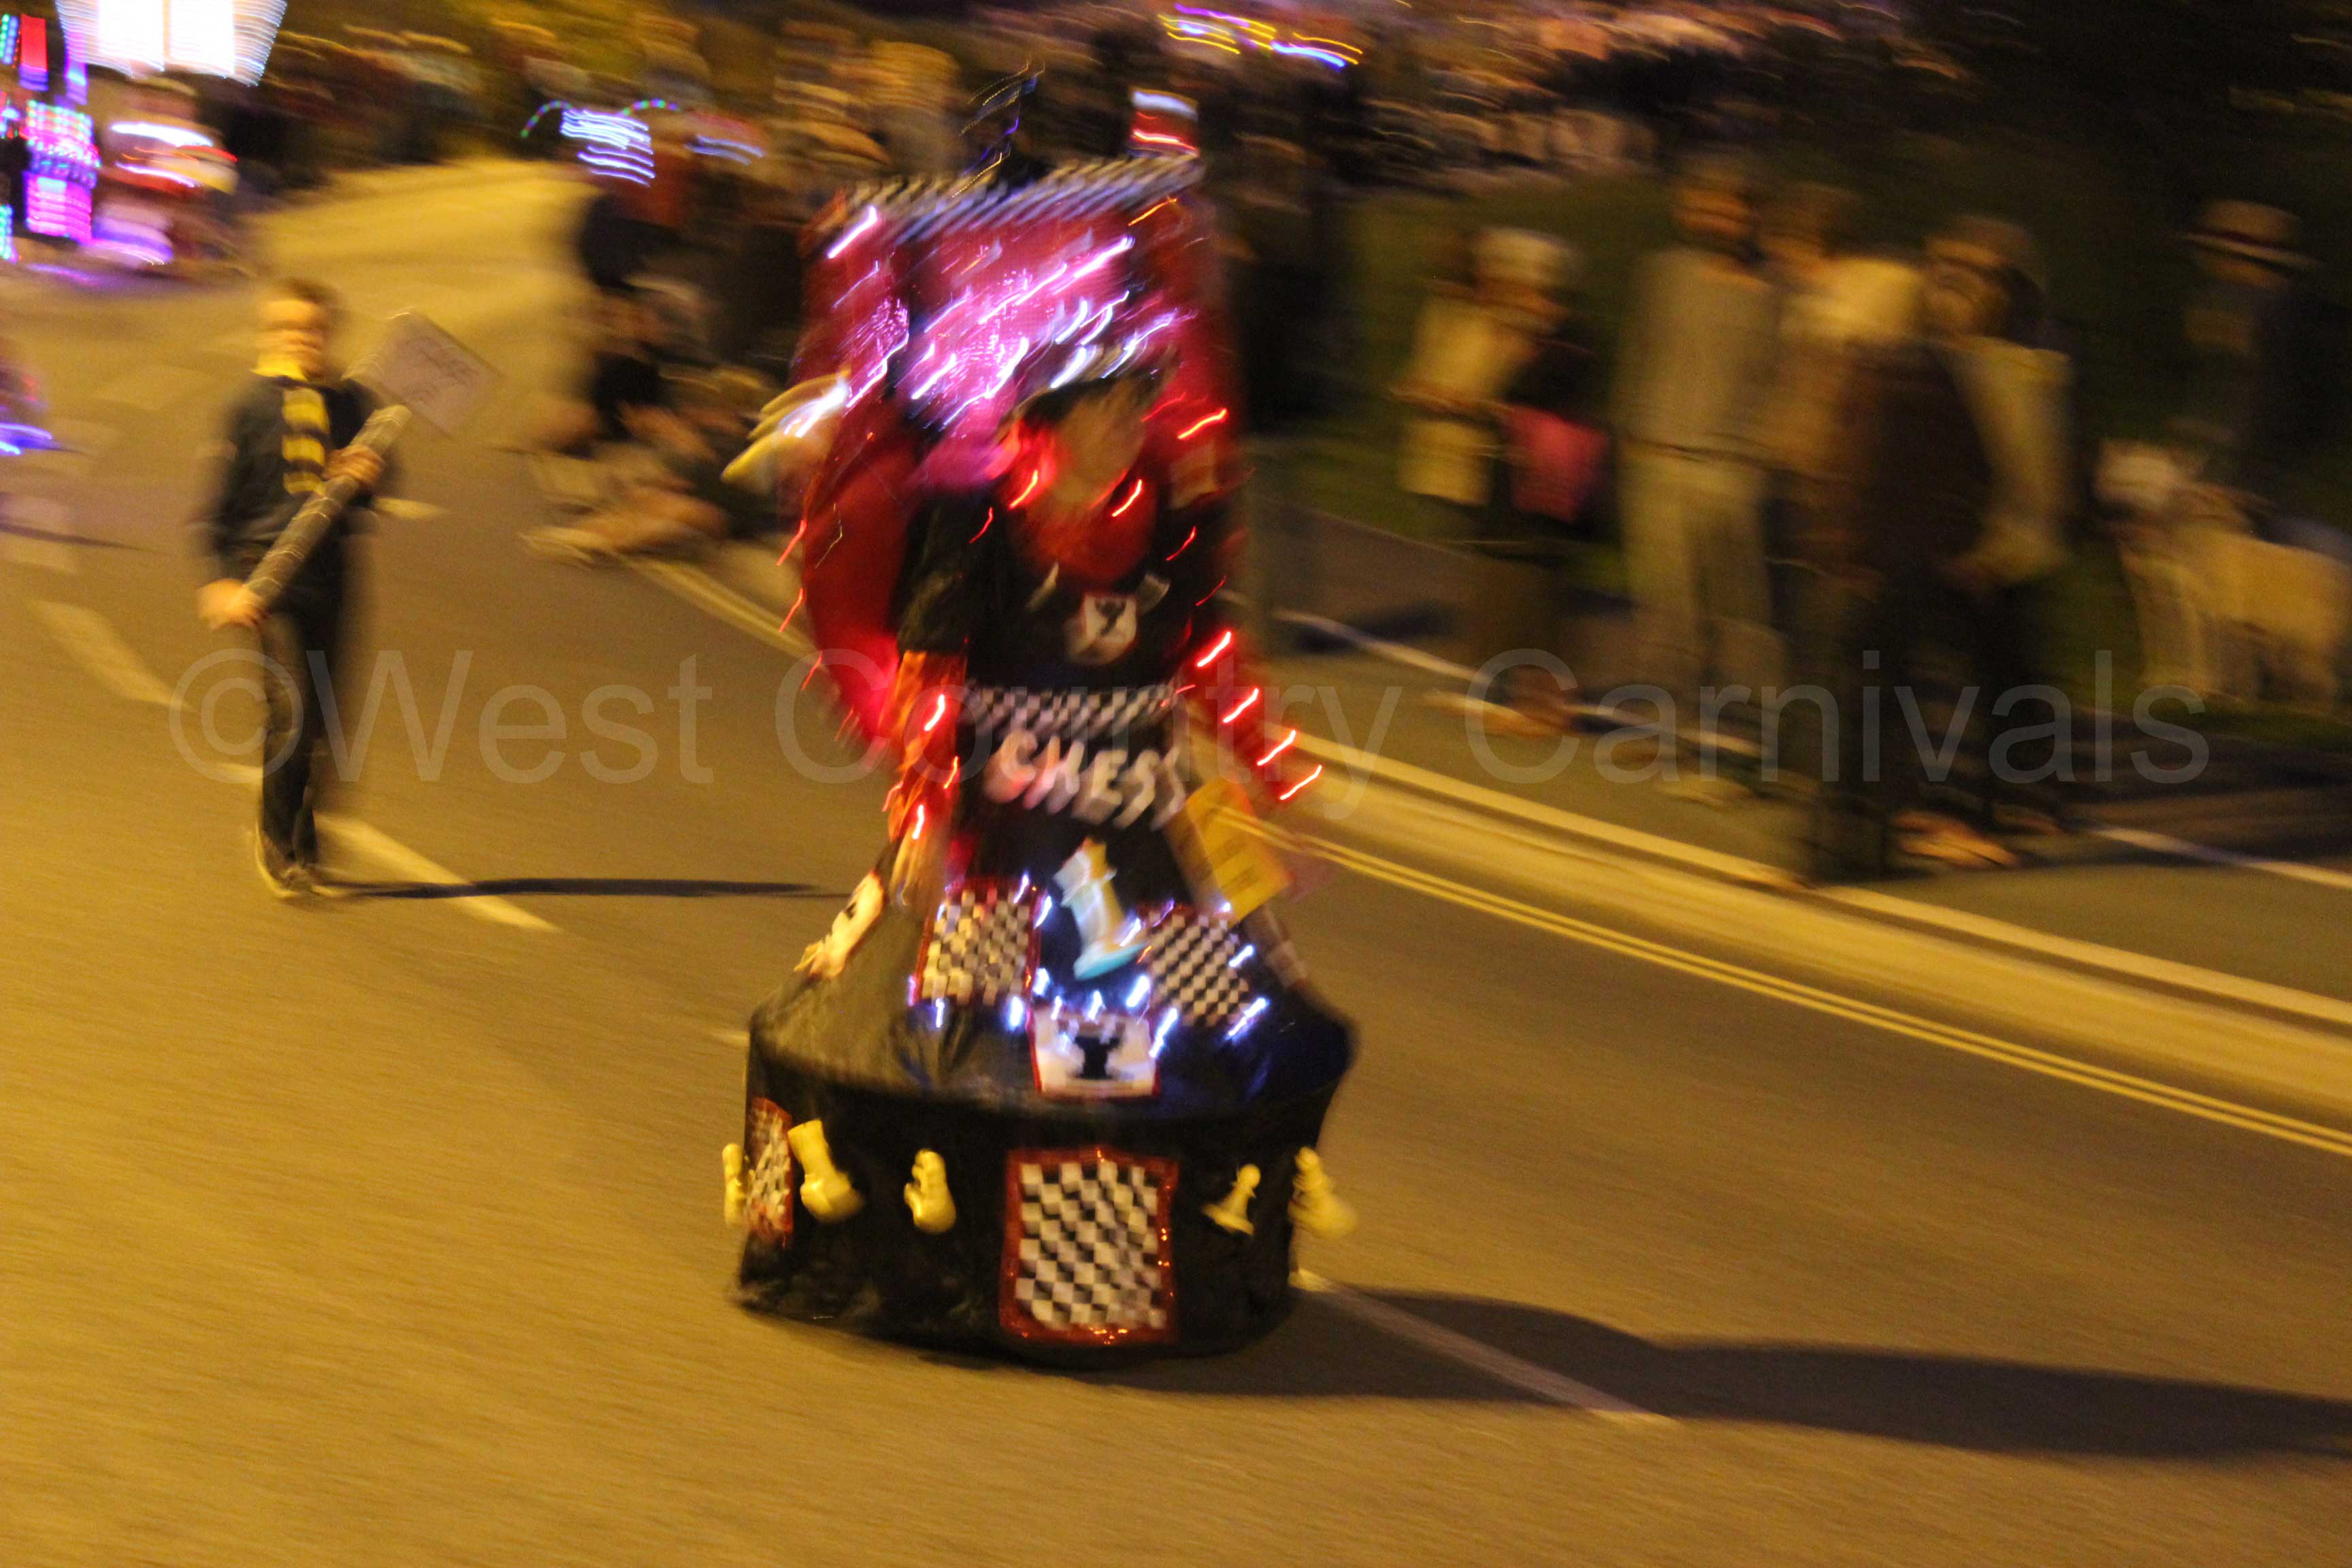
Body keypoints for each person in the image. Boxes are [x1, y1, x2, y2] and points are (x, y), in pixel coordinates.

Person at [195, 278, 388, 899]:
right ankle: (276, 842)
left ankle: (306, 842)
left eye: (313, 329)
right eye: (288, 328)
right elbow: (217, 509)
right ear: (268, 334)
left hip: (332, 571)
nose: (302, 339)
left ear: (329, 334)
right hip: (267, 575)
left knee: (326, 717)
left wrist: (368, 476)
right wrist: (221, 579)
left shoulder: (354, 402)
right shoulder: (249, 406)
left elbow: (380, 489)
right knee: (291, 712)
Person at [1611, 154, 1782, 734]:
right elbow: (1640, 352)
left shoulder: (1776, 290)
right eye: (1705, 205)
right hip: (1657, 460)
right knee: (1666, 608)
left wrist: (1758, 459)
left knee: (1742, 613)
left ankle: (1759, 733)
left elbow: (1786, 380)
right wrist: (1629, 434)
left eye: (1731, 208)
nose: (1717, 218)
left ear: (1753, 215)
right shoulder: (1664, 273)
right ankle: (1674, 728)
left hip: (1729, 470)